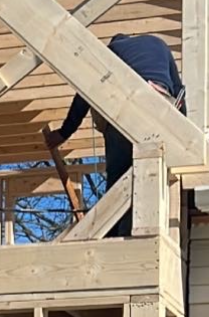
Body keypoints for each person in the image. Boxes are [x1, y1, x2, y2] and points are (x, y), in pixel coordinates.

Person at [45, 33, 185, 236]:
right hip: (160, 104)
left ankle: (114, 235)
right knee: (155, 175)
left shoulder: (110, 51)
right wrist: (184, 136)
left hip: (126, 109)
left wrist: (65, 132)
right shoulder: (159, 44)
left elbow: (87, 90)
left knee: (120, 180)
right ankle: (145, 228)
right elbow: (180, 92)